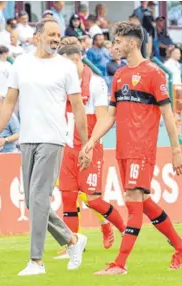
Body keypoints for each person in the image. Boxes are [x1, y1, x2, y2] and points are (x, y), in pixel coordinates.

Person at [80, 21, 182, 275]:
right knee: (143, 200)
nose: (113, 45)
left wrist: (176, 151)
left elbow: (167, 113)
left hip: (142, 148)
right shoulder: (119, 75)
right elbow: (109, 116)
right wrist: (91, 142)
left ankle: (120, 263)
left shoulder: (153, 73)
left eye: (117, 41)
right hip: (123, 150)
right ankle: (180, 246)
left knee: (132, 201)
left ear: (131, 42)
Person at [0, 18, 89, 276]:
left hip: (53, 138)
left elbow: (77, 106)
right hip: (27, 139)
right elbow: (9, 102)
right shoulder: (21, 63)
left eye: (59, 35)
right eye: (51, 34)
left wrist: (86, 142)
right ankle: (73, 240)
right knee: (35, 204)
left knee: (38, 198)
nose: (56, 39)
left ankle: (36, 261)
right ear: (37, 36)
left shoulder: (66, 67)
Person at [55, 37, 126, 259]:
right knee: (67, 199)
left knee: (93, 199)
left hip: (89, 146)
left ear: (76, 59)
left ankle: (125, 230)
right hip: (66, 147)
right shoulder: (60, 83)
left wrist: (91, 143)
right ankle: (73, 246)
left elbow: (104, 118)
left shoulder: (96, 83)